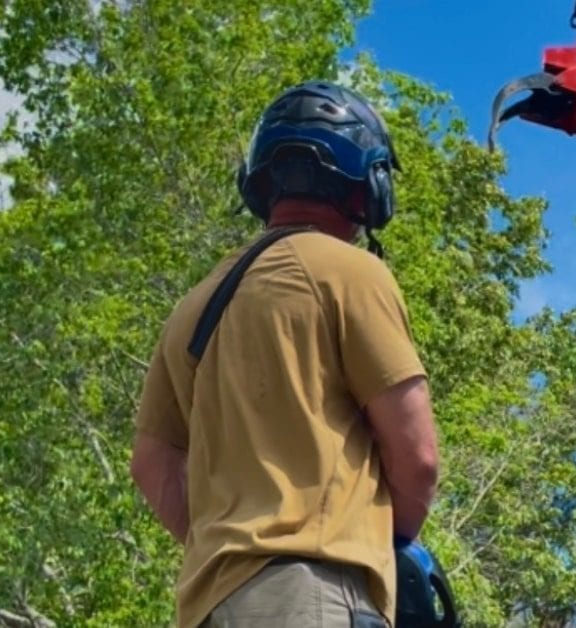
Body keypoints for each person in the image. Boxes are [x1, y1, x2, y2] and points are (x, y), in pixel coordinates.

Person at [129, 80, 441, 628]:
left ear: (260, 182)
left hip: (206, 607)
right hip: (310, 592)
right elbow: (417, 458)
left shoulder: (192, 307)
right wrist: (387, 546)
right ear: (369, 185)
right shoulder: (350, 272)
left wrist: (230, 545)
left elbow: (151, 464)